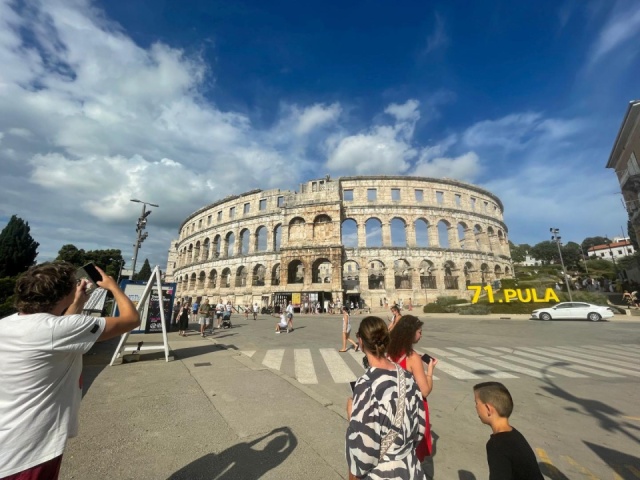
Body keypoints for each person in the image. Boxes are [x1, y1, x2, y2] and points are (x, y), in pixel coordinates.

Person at [0, 262, 140, 480]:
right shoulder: (59, 330)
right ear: (64, 292)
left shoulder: (8, 324)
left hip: (8, 439)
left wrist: (76, 303)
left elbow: (60, 330)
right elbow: (131, 319)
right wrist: (114, 287)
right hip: (29, 450)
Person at [346, 316, 426, 479]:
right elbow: (420, 428)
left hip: (383, 473)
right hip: (411, 468)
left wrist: (352, 416)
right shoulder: (407, 377)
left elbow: (364, 454)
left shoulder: (366, 385)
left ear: (361, 342)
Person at [387, 315, 438, 462]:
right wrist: (430, 371)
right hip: (411, 409)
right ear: (411, 333)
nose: (421, 335)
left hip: (394, 406)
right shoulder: (412, 357)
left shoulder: (389, 351)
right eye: (419, 331)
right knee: (412, 456)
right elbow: (425, 391)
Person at [473, 382, 543, 480]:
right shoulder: (514, 434)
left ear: (488, 408)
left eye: (476, 403)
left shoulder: (497, 445)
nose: (475, 407)